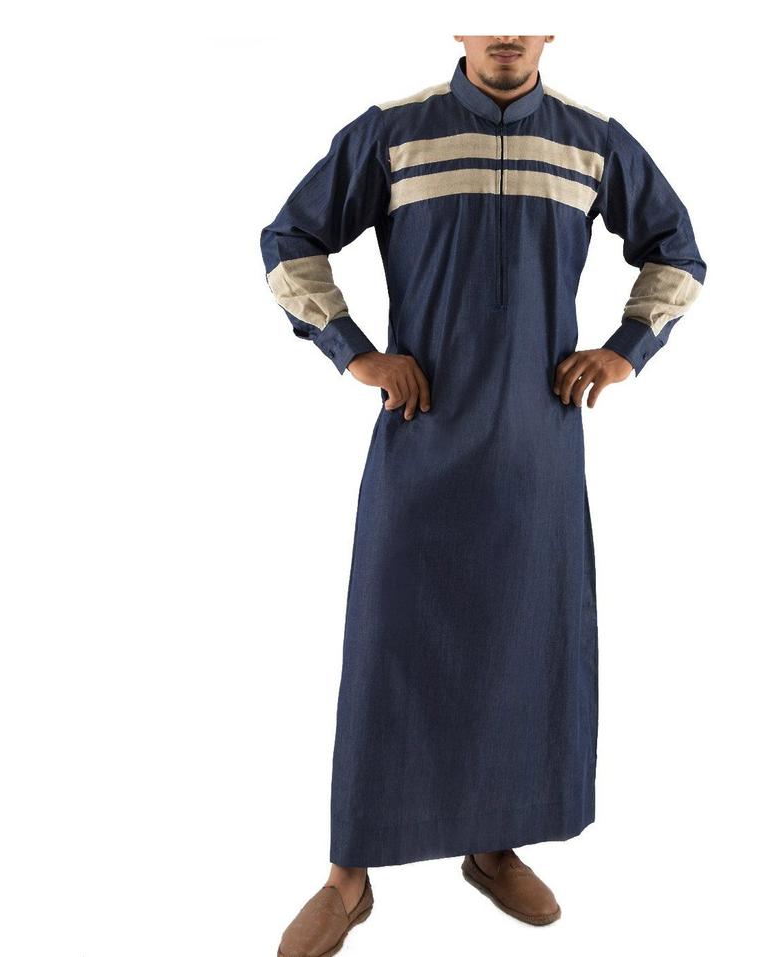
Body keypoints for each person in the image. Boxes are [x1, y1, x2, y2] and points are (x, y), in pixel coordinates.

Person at [260, 35, 706, 956]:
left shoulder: (592, 141)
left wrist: (627, 349)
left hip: (539, 449)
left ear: (550, 31)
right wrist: (355, 351)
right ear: (459, 29)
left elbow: (678, 253)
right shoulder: (394, 133)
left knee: (524, 642)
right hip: (423, 436)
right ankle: (349, 876)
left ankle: (494, 843)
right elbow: (288, 241)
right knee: (388, 645)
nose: (506, 31)